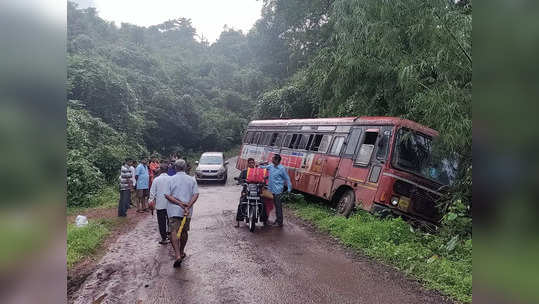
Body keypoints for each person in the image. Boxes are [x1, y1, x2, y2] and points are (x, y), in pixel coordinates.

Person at [165, 159, 199, 268]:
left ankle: (177, 255)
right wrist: (187, 205)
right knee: (184, 231)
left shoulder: (170, 179)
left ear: (175, 168)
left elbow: (167, 195)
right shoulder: (191, 180)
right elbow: (196, 194)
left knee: (173, 231)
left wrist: (179, 204)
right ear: (185, 168)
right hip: (187, 211)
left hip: (173, 210)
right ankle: (182, 251)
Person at [259, 154, 292, 227]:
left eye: (273, 158)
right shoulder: (270, 166)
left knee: (278, 206)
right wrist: (259, 165)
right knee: (270, 205)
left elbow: (287, 179)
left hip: (278, 190)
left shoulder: (282, 169)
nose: (271, 159)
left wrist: (289, 189)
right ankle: (275, 220)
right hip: (271, 190)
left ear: (277, 160)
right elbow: (263, 167)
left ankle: (279, 222)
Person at [234, 158, 268, 227]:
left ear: (254, 163)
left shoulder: (258, 171)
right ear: (247, 164)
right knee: (241, 203)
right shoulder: (244, 171)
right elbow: (240, 179)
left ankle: (264, 221)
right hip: (246, 191)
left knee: (263, 204)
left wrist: (263, 183)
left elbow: (263, 179)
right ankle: (238, 222)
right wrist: (241, 182)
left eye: (253, 162)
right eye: (250, 163)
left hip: (257, 191)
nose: (251, 164)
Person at [149, 164, 171, 244]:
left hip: (160, 205)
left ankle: (164, 238)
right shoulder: (171, 179)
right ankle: (171, 235)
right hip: (170, 204)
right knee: (170, 221)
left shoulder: (156, 180)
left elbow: (152, 193)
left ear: (160, 170)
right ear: (168, 170)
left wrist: (151, 202)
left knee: (161, 222)